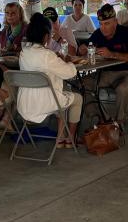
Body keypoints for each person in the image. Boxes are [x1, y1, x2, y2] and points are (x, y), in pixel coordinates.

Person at [18, 13, 82, 148]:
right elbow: (70, 73)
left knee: (61, 96)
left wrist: (56, 59)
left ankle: (61, 137)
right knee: (77, 99)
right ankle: (69, 138)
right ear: (46, 36)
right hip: (45, 103)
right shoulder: (47, 55)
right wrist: (68, 62)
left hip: (25, 104)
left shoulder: (24, 53)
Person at [79, 4, 128, 127]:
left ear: (116, 22)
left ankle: (119, 122)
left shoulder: (126, 33)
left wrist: (112, 54)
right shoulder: (98, 34)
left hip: (127, 73)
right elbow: (84, 47)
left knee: (124, 88)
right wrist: (83, 49)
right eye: (101, 24)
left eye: (107, 24)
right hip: (104, 73)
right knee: (79, 85)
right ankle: (102, 119)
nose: (103, 28)